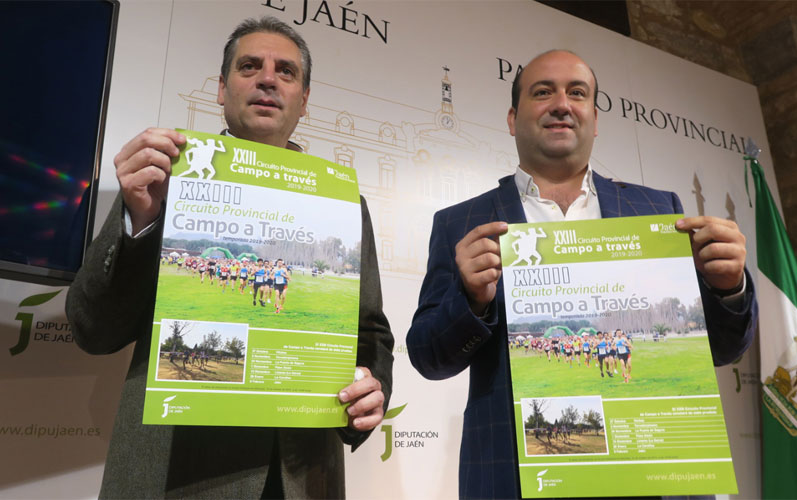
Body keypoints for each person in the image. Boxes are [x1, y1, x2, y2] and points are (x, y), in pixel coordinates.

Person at [66, 16, 393, 499]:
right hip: (176, 475)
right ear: (221, 89)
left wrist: (370, 389)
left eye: (286, 71)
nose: (267, 78)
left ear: (303, 101)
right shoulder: (165, 178)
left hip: (303, 477)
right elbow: (92, 330)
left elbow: (370, 331)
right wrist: (142, 220)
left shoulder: (344, 204)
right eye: (249, 67)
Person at [406, 49, 756, 499]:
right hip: (517, 479)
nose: (561, 104)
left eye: (577, 93)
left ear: (594, 116)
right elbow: (428, 357)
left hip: (654, 477)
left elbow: (724, 349)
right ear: (513, 118)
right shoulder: (462, 222)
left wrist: (729, 288)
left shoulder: (658, 210)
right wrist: (471, 301)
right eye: (542, 92)